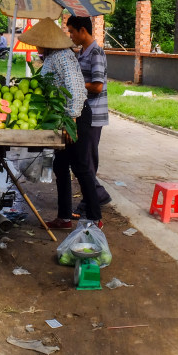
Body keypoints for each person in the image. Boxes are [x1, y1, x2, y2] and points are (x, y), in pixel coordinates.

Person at [17, 18, 101, 230]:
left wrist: (72, 119)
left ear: (46, 42)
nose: (36, 47)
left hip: (76, 117)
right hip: (64, 118)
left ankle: (94, 217)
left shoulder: (62, 56)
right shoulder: (53, 57)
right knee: (61, 166)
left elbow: (75, 87)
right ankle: (64, 217)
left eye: (37, 43)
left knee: (81, 167)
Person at [66, 16, 112, 219]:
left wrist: (74, 85)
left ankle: (91, 199)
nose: (71, 36)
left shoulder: (96, 53)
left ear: (82, 30)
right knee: (82, 159)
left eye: (72, 32)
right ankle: (96, 194)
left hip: (93, 114)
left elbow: (97, 85)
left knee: (87, 160)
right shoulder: (81, 52)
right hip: (83, 113)